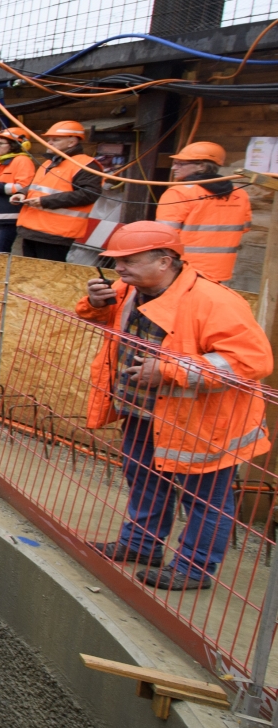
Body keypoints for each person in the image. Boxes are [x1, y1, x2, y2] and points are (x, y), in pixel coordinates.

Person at [77, 222, 272, 590]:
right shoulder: (128, 289)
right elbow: (111, 322)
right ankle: (140, 545)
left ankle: (194, 569)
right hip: (146, 411)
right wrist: (97, 304)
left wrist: (169, 370)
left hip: (205, 422)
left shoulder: (214, 302)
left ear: (165, 261)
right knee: (144, 478)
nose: (119, 268)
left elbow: (252, 362)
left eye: (129, 260)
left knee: (205, 500)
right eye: (116, 260)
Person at [153, 141, 252, 283]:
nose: (174, 167)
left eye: (181, 164)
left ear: (201, 166)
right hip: (219, 271)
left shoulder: (178, 192)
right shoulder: (240, 194)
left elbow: (163, 235)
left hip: (183, 270)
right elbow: (245, 227)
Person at [15, 120, 101, 261]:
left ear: (72, 142)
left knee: (48, 277)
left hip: (55, 233)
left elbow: (88, 194)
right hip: (32, 229)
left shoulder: (86, 165)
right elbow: (37, 185)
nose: (50, 143)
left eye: (56, 140)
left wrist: (44, 201)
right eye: (49, 139)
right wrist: (21, 193)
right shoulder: (49, 162)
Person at [0, 128, 36, 254]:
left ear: (14, 145)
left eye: (0, 144)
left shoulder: (22, 161)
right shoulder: (1, 162)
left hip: (10, 215)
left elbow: (22, 187)